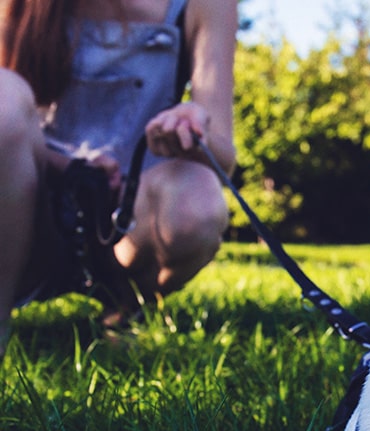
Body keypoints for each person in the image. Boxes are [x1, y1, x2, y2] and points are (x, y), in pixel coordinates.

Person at [0, 0, 237, 350]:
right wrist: (74, 168)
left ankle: (125, 302)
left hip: (126, 221)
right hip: (28, 207)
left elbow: (223, 158)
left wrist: (190, 129)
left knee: (197, 198)